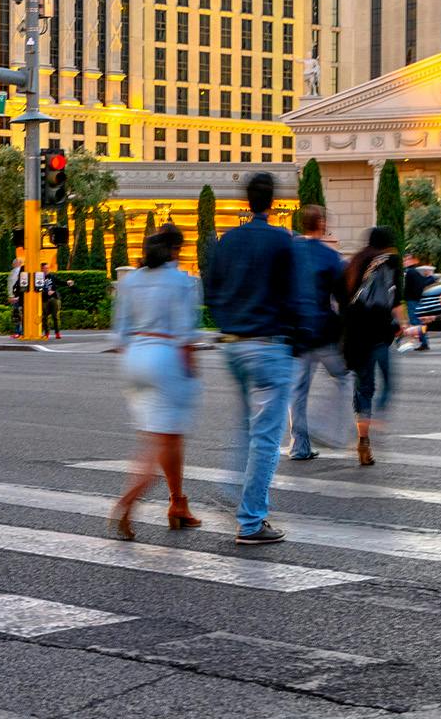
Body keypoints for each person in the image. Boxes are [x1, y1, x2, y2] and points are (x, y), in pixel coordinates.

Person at [203, 171, 297, 546]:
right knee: (267, 436)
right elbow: (295, 294)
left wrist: (229, 323)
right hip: (268, 345)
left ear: (247, 202)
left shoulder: (229, 240)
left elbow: (211, 288)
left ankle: (234, 484)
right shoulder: (281, 240)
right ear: (272, 202)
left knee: (247, 424)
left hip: (234, 344)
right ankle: (251, 520)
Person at [107, 224, 203, 538]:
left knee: (166, 438)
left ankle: (178, 504)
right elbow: (186, 334)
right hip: (165, 357)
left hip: (134, 357)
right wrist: (191, 371)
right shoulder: (180, 282)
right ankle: (128, 501)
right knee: (161, 442)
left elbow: (120, 334)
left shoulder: (131, 281)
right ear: (175, 251)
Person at [286, 204, 346, 461]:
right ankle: (325, 424)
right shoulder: (330, 256)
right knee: (344, 377)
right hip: (323, 332)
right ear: (321, 223)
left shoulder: (290, 252)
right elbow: (342, 294)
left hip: (297, 334)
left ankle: (300, 445)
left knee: (297, 392)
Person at [341, 226, 405, 468]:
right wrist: (403, 324)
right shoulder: (390, 261)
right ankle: (377, 421)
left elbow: (342, 299)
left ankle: (363, 437)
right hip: (380, 335)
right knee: (388, 384)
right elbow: (395, 300)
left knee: (363, 388)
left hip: (356, 337)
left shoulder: (355, 262)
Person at [401, 252, 435, 351]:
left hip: (412, 301)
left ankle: (424, 343)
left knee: (416, 322)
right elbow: (422, 284)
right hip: (414, 300)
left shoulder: (410, 272)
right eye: (404, 260)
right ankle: (424, 342)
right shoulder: (414, 272)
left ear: (412, 260)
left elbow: (414, 287)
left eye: (406, 260)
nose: (404, 262)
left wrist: (406, 297)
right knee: (417, 322)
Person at [36, 261, 60, 340]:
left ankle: (57, 333)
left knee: (55, 316)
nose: (47, 269)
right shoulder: (38, 277)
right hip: (44, 299)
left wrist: (67, 283)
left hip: (53, 298)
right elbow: (38, 289)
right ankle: (46, 333)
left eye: (47, 268)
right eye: (45, 268)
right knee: (44, 317)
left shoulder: (51, 276)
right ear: (41, 269)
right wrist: (46, 292)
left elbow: (59, 282)